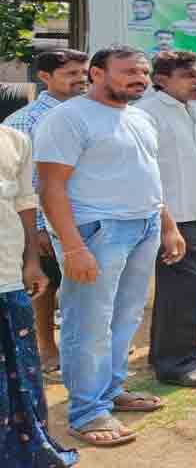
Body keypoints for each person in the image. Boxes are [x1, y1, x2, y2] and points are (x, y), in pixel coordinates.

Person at [35, 46, 186, 446]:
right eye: (128, 72)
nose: (139, 78)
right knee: (88, 323)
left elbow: (148, 176)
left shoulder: (139, 116)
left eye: (143, 71)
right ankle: (86, 412)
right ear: (97, 74)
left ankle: (110, 392)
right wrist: (72, 248)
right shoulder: (68, 118)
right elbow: (51, 186)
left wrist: (168, 225)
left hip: (144, 225)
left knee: (125, 317)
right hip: (96, 231)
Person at [137, 51, 196, 389]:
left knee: (189, 290)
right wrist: (166, 224)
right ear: (161, 80)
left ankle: (176, 352)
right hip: (173, 217)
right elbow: (146, 174)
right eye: (189, 76)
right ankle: (174, 364)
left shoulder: (192, 112)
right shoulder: (147, 114)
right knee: (180, 290)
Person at [4, 49, 89, 376]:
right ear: (44, 78)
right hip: (47, 219)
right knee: (47, 284)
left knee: (87, 283)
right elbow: (26, 182)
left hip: (86, 213)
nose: (80, 80)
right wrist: (37, 228)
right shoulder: (24, 121)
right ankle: (47, 348)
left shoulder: (90, 112)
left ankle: (85, 345)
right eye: (71, 74)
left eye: (84, 72)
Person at [0, 122, 79, 466]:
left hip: (6, 273)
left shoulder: (14, 140)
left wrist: (32, 260)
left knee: (16, 367)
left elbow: (24, 201)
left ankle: (19, 450)